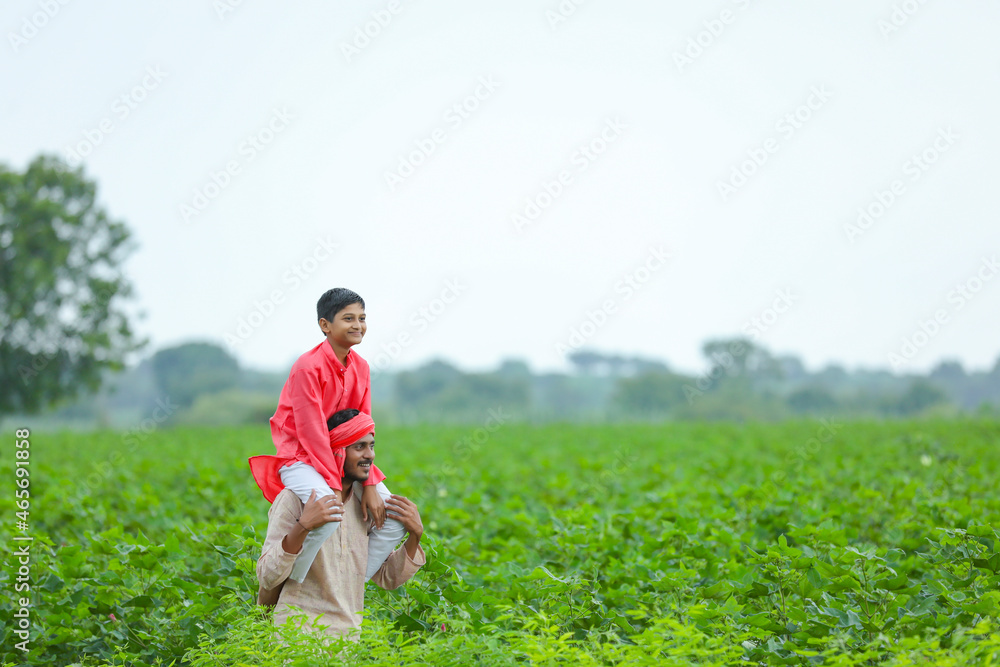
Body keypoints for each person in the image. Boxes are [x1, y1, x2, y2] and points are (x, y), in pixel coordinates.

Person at [249, 288, 405, 584]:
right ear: (325, 325)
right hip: (301, 458)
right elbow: (311, 434)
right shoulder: (307, 367)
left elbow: (363, 427)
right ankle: (291, 586)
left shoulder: (361, 367)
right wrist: (334, 486)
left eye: (362, 318)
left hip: (341, 457)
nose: (358, 325)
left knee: (394, 520)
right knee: (328, 513)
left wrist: (369, 483)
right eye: (348, 318)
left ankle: (351, 583)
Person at [256, 409, 425, 639]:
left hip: (347, 639)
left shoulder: (365, 504)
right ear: (337, 451)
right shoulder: (295, 498)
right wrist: (304, 526)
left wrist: (415, 535)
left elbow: (387, 577)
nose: (370, 455)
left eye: (372, 446)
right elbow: (267, 577)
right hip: (295, 636)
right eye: (359, 447)